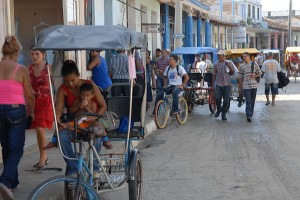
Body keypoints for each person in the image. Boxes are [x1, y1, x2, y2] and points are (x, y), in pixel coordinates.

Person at [55, 60, 112, 175]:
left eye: (73, 80)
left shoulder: (90, 85)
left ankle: (95, 168)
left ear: (78, 75)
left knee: (97, 135)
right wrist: (56, 118)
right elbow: (59, 109)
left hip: (92, 122)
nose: (70, 84)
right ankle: (73, 167)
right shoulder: (62, 90)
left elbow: (103, 106)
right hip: (76, 123)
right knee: (61, 135)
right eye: (67, 81)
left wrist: (95, 117)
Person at [0, 36, 35, 199]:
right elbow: (30, 95)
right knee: (16, 148)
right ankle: (5, 180)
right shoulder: (20, 69)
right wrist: (32, 111)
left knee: (7, 147)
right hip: (15, 111)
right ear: (16, 52)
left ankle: (12, 183)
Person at [28, 48, 53, 169]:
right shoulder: (28, 69)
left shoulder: (49, 68)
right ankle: (43, 154)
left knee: (40, 129)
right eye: (32, 54)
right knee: (38, 131)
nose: (34, 56)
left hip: (46, 102)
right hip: (33, 102)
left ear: (43, 55)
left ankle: (43, 157)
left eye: (37, 54)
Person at [239, 52, 262, 122]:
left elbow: (260, 73)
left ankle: (250, 114)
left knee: (252, 101)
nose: (243, 58)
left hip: (253, 85)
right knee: (248, 101)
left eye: (245, 56)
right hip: (245, 86)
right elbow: (240, 77)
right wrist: (240, 86)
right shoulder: (241, 66)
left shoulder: (254, 64)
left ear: (249, 57)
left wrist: (254, 76)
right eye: (243, 57)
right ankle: (248, 115)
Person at [212, 50, 235, 121]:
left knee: (226, 100)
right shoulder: (215, 64)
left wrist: (229, 67)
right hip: (219, 84)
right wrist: (213, 85)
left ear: (224, 56)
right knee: (218, 99)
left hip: (227, 84)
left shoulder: (228, 63)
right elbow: (214, 74)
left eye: (220, 55)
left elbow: (232, 72)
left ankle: (224, 113)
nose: (219, 57)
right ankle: (219, 110)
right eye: (218, 55)